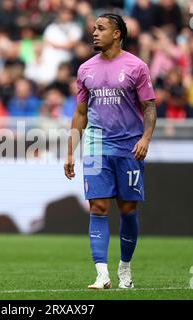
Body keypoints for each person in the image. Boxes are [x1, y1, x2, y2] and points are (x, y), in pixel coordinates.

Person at [64, 13, 156, 290]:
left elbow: (149, 108)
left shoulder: (136, 66)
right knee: (98, 207)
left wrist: (146, 138)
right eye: (93, 28)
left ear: (116, 34)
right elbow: (80, 113)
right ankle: (101, 274)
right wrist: (70, 152)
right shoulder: (85, 70)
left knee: (127, 209)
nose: (94, 33)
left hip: (129, 146)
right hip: (95, 146)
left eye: (101, 28)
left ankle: (124, 267)